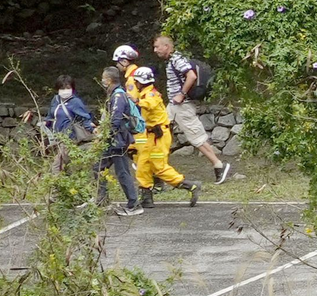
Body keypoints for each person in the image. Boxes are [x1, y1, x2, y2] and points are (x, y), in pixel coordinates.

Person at [153, 35, 231, 184]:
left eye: (157, 47)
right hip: (174, 106)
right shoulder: (172, 61)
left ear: (166, 47)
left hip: (182, 106)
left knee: (196, 138)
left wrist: (181, 94)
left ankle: (219, 165)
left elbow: (191, 76)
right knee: (158, 130)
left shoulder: (177, 60)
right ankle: (154, 167)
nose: (155, 50)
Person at [132, 67, 201, 208]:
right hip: (150, 136)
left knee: (159, 167)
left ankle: (190, 185)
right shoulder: (144, 94)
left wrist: (135, 101)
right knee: (143, 165)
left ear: (140, 82)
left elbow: (149, 105)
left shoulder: (151, 95)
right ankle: (146, 198)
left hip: (159, 136)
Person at [95, 67, 143, 216]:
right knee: (98, 167)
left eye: (103, 78)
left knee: (122, 172)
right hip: (113, 139)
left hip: (117, 140)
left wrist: (104, 136)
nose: (102, 81)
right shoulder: (115, 95)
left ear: (109, 80)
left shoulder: (118, 96)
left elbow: (115, 120)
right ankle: (102, 200)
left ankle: (134, 204)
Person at [43, 75, 96, 141]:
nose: (65, 91)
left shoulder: (75, 102)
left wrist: (92, 129)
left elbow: (84, 118)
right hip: (54, 137)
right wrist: (44, 123)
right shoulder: (55, 99)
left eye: (68, 88)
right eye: (62, 88)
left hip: (69, 138)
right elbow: (50, 116)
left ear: (72, 89)